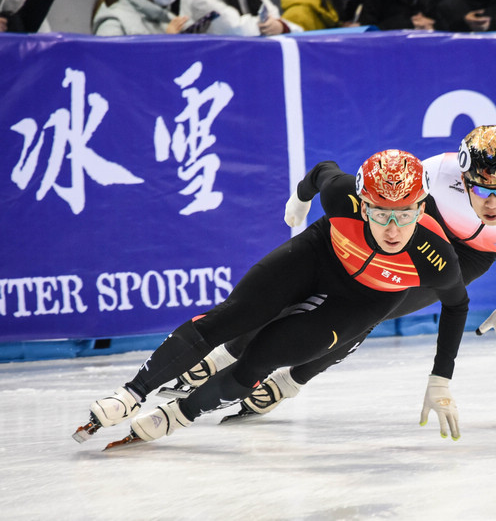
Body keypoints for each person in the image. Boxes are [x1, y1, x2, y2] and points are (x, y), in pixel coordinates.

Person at [73, 150, 470, 446]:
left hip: (364, 300)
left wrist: (441, 377)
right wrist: (298, 202)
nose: (393, 227)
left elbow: (457, 304)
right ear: (362, 204)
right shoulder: (341, 195)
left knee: (266, 356)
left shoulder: (435, 257)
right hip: (320, 255)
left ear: (421, 209)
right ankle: (130, 393)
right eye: (381, 213)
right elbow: (320, 172)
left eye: (405, 214)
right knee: (232, 318)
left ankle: (180, 414)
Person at [181, 126, 496, 423]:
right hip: (417, 230)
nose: (491, 201)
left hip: (468, 259)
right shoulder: (436, 172)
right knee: (312, 285)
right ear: (463, 178)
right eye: (480, 188)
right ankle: (224, 354)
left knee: (376, 306)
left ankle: (292, 382)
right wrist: (305, 198)